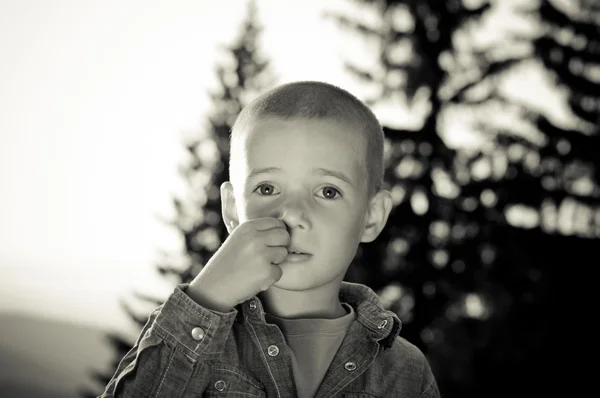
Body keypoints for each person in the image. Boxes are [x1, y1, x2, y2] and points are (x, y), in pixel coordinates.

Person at [100, 81, 440, 397]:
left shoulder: (405, 372)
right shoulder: (186, 337)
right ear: (233, 209)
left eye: (327, 191)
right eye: (267, 189)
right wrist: (206, 298)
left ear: (372, 217)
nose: (291, 213)